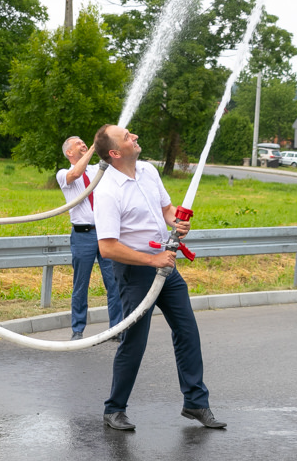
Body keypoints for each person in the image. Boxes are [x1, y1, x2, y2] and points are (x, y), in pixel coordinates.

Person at [92, 124, 225, 431]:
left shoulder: (149, 172)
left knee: (187, 331)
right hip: (135, 270)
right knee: (134, 341)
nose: (135, 136)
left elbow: (165, 209)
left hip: (165, 266)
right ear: (115, 153)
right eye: (127, 137)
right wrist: (151, 259)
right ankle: (114, 409)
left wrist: (177, 220)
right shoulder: (108, 191)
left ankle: (195, 402)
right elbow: (108, 247)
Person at [56, 136, 123, 341]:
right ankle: (78, 330)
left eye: (85, 142)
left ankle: (116, 329)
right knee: (81, 284)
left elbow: (115, 167)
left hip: (105, 233)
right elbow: (75, 173)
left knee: (113, 282)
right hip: (82, 235)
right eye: (79, 143)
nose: (83, 144)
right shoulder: (63, 173)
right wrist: (94, 147)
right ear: (69, 152)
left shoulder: (97, 170)